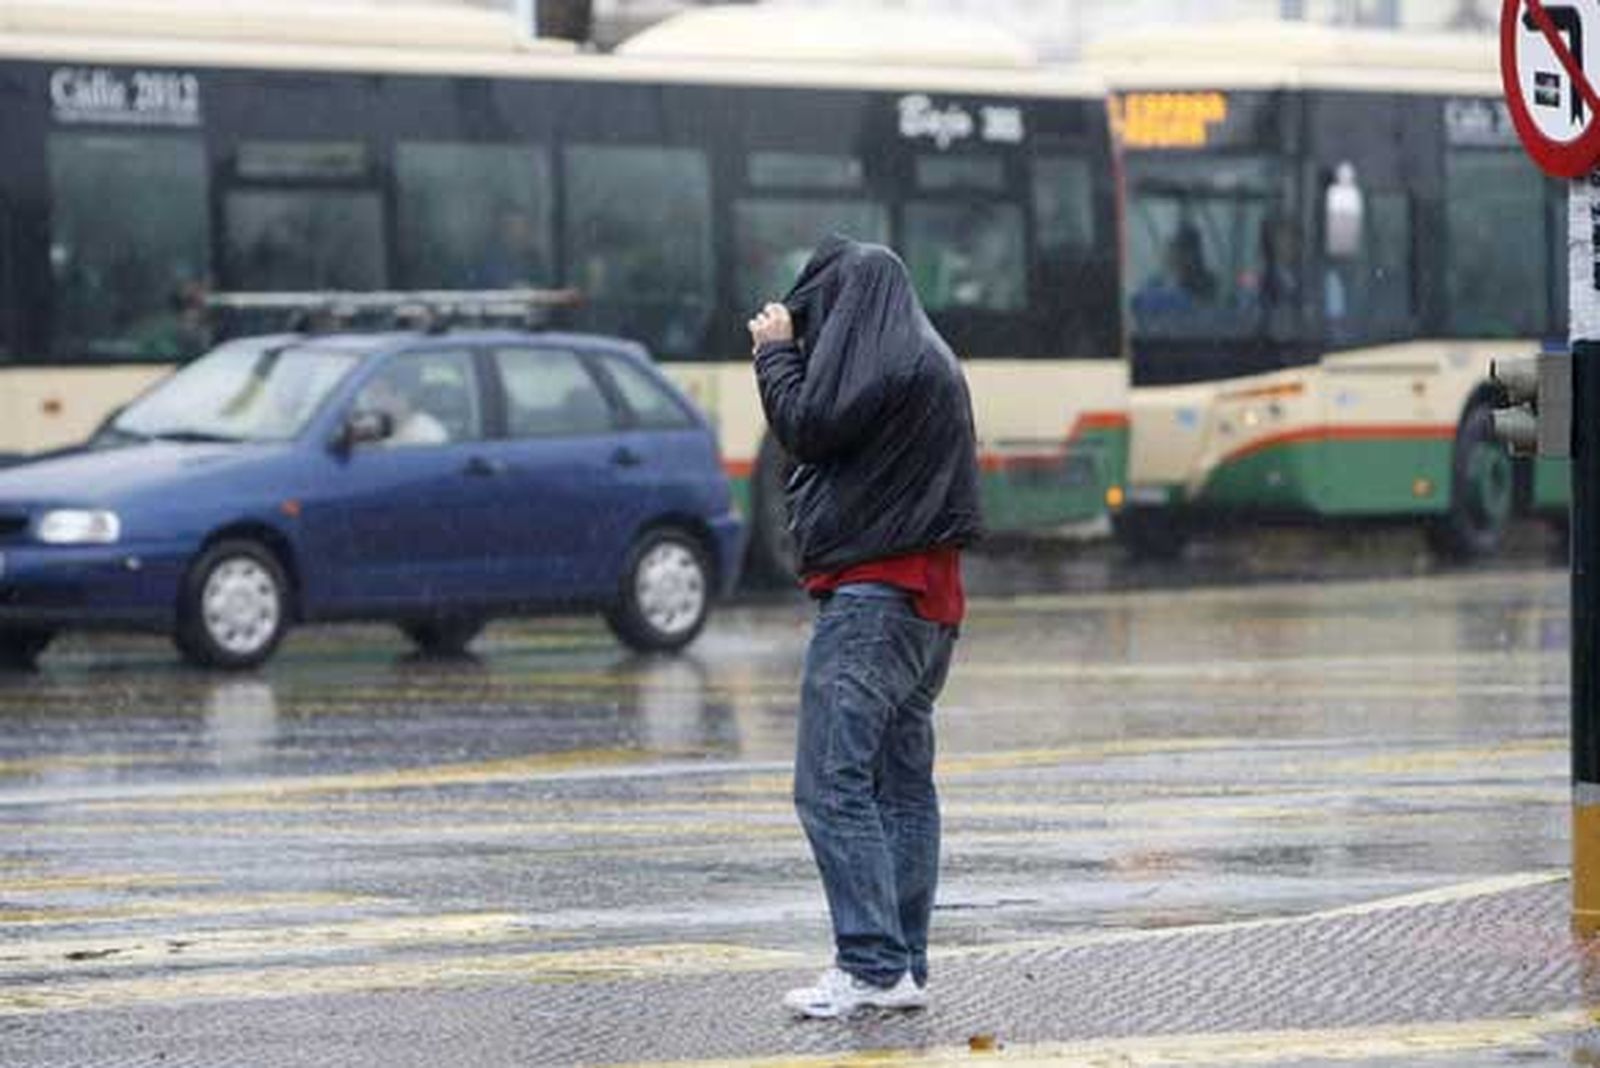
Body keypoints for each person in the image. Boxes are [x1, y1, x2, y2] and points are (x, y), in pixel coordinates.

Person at [748, 235, 983, 1020]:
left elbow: (805, 429)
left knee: (829, 782)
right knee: (901, 785)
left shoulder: (878, 370)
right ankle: (903, 962)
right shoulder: (933, 363)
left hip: (871, 600)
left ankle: (872, 963)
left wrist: (775, 354)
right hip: (929, 606)